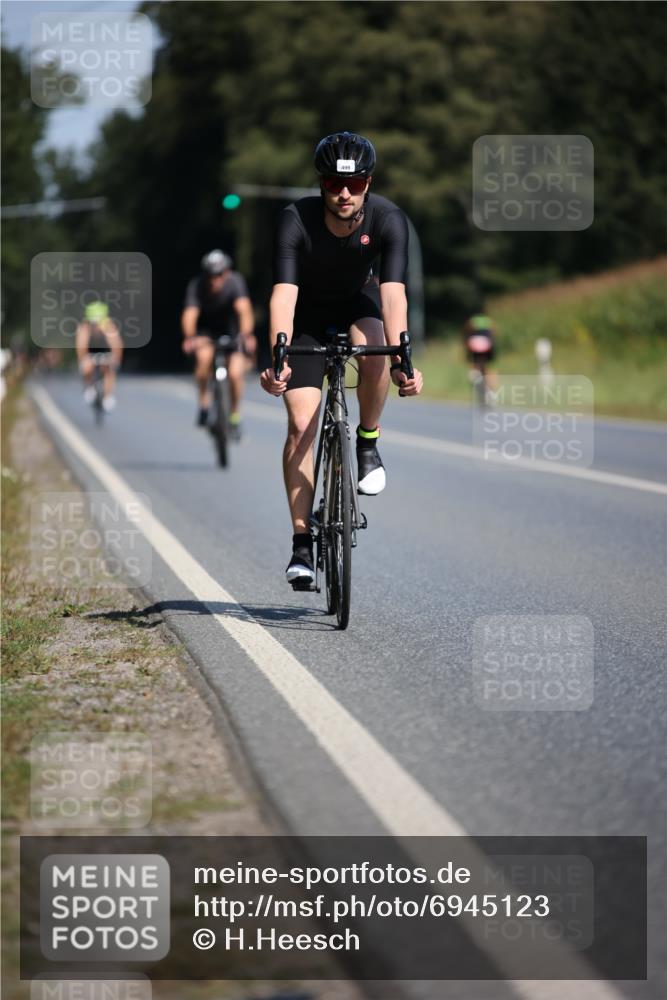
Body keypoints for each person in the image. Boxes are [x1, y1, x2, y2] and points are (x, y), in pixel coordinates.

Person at [260, 131, 423, 587]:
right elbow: (283, 296)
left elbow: (392, 296)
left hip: (359, 302)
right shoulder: (294, 220)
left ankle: (367, 443)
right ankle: (301, 543)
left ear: (368, 183)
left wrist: (403, 360)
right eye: (334, 184)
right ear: (322, 183)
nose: (344, 193)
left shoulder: (390, 220)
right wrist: (279, 354)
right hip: (306, 316)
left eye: (354, 184)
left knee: (375, 350)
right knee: (300, 425)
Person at [181, 249, 257, 436]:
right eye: (210, 275)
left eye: (219, 275)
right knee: (203, 359)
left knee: (235, 374)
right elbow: (190, 314)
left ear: (227, 272)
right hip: (206, 334)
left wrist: (247, 334)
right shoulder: (197, 285)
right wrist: (190, 337)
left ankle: (234, 415)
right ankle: (204, 405)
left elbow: (244, 310)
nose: (214, 279)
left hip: (232, 332)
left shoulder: (235, 282)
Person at [76, 301, 123, 411]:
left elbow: (117, 345)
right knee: (87, 367)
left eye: (99, 322)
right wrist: (84, 360)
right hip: (90, 352)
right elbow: (81, 346)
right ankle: (89, 387)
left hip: (105, 351)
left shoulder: (109, 326)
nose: (96, 325)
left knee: (109, 369)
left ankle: (107, 396)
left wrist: (115, 361)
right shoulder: (84, 327)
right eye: (93, 322)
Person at [462, 312, 498, 403]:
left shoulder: (472, 321)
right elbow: (495, 331)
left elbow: (466, 331)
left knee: (475, 365)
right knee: (487, 367)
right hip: (486, 344)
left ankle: (475, 376)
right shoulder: (488, 320)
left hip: (474, 343)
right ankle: (491, 390)